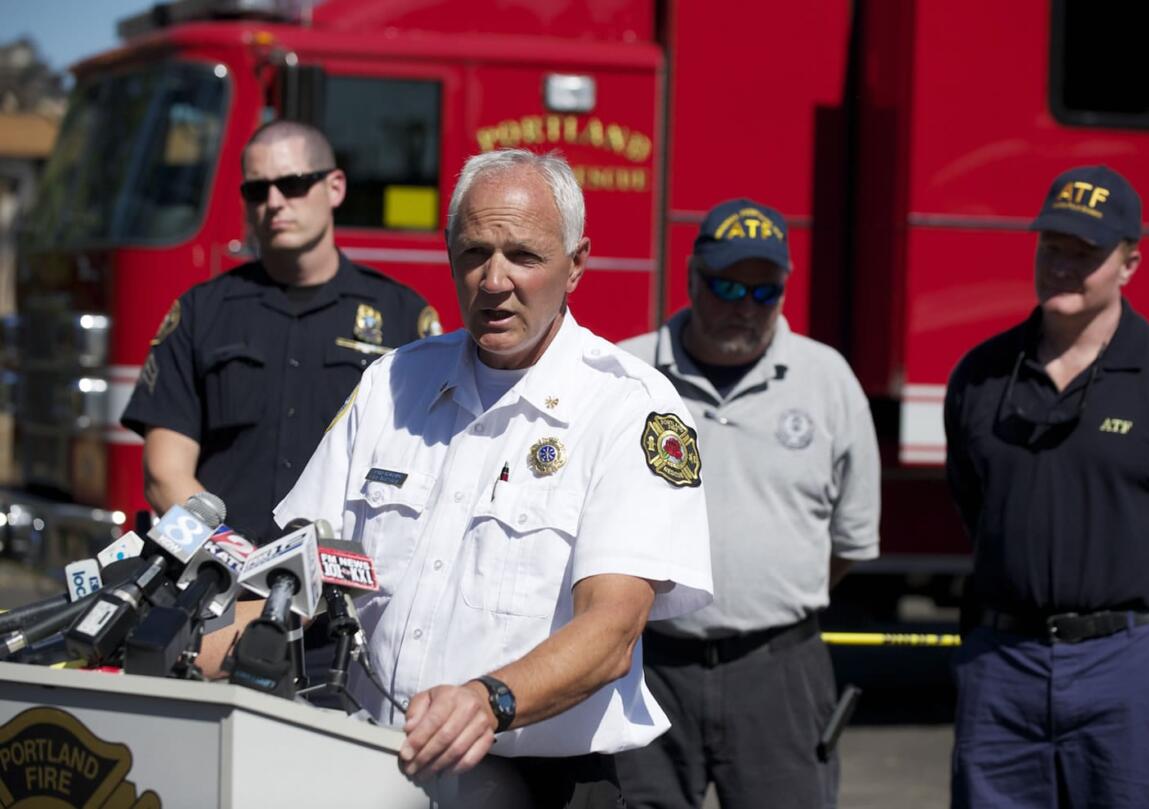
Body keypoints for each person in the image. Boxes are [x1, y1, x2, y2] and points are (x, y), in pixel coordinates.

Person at [267, 149, 713, 807]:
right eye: (474, 253)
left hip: (541, 784)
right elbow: (295, 568)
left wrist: (489, 700)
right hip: (371, 771)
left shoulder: (630, 406)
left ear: (576, 265)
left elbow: (612, 628)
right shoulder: (393, 382)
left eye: (524, 257)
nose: (494, 279)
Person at [943, 165, 1149, 808]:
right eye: (1052, 247)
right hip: (1003, 667)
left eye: (1086, 253)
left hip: (1138, 667)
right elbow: (975, 504)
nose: (1063, 265)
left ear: (1129, 264)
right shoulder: (982, 378)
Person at [615, 199, 881, 809]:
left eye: (765, 293)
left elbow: (848, 542)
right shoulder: (627, 374)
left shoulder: (827, 379)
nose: (744, 306)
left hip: (778, 670)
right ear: (690, 279)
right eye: (727, 286)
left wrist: (763, 597)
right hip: (645, 661)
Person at [121, 120, 439, 541]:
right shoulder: (201, 311)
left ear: (336, 187)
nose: (273, 202)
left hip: (345, 589)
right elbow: (163, 477)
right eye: (257, 189)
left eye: (293, 184)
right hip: (220, 586)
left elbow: (430, 469)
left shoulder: (403, 317)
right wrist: (231, 561)